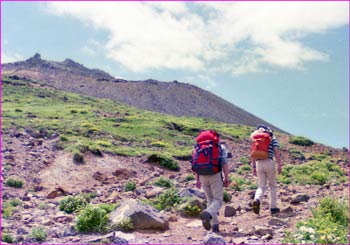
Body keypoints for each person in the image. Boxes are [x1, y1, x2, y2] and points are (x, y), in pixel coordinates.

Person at [195, 141, 230, 232]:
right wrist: (226, 178)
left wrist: (197, 179)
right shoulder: (220, 147)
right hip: (215, 175)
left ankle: (215, 226)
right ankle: (207, 213)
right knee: (218, 200)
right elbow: (224, 163)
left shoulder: (199, 148)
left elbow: (195, 165)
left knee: (210, 200)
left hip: (202, 176)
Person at [251, 125, 282, 215]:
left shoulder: (256, 139)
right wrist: (279, 164)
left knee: (261, 186)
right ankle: (273, 208)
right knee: (272, 185)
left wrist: (253, 167)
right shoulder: (271, 138)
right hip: (269, 162)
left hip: (258, 163)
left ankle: (257, 199)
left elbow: (253, 154)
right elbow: (276, 151)